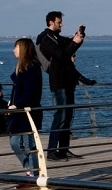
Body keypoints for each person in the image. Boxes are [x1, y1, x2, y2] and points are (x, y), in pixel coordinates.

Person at [36, 10, 85, 160]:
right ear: (51, 22)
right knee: (60, 116)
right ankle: (51, 151)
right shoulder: (46, 39)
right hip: (58, 82)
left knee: (67, 116)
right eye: (59, 22)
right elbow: (62, 55)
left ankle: (63, 149)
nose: (61, 24)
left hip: (67, 81)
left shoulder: (56, 37)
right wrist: (74, 43)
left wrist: (78, 38)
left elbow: (69, 46)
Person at [7, 38, 44, 178]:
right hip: (18, 112)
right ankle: (29, 169)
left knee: (29, 145)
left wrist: (18, 104)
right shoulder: (21, 67)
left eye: (16, 47)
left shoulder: (32, 66)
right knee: (15, 142)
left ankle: (35, 175)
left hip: (27, 112)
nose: (13, 50)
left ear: (22, 48)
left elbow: (31, 91)